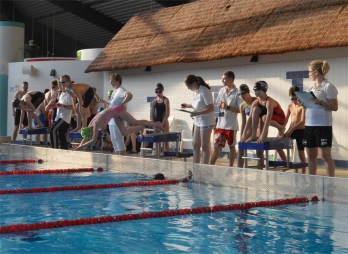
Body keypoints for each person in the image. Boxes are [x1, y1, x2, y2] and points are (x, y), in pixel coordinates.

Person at [301, 60, 338, 177]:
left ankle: (330, 183)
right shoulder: (310, 88)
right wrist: (303, 103)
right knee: (311, 155)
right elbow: (309, 106)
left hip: (323, 125)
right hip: (309, 125)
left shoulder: (328, 87)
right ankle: (312, 183)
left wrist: (319, 101)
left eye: (310, 72)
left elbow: (334, 107)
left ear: (316, 72)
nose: (308, 74)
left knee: (325, 156)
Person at [73, 106, 164, 151]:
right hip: (114, 114)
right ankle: (140, 128)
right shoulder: (90, 125)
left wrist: (79, 147)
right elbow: (86, 137)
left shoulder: (96, 124)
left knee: (135, 122)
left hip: (117, 110)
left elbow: (92, 141)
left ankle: (156, 124)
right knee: (123, 132)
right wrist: (80, 146)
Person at [181, 74, 215, 164]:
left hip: (206, 121)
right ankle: (196, 168)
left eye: (189, 86)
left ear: (194, 83)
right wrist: (188, 106)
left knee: (204, 146)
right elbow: (198, 105)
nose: (188, 88)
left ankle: (204, 168)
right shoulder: (195, 92)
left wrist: (197, 113)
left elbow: (211, 108)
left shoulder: (204, 91)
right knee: (195, 145)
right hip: (198, 121)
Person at [210, 71, 241, 167]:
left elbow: (240, 110)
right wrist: (219, 105)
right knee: (216, 147)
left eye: (224, 79)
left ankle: (230, 167)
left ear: (230, 79)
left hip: (231, 125)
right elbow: (218, 103)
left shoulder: (237, 92)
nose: (222, 80)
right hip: (220, 124)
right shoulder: (221, 90)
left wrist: (227, 107)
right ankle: (210, 167)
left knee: (232, 147)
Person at [237, 84, 264, 168]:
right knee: (241, 147)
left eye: (243, 93)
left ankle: (259, 174)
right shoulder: (242, 106)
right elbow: (244, 123)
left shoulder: (257, 101)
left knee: (259, 150)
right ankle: (240, 172)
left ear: (248, 92)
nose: (241, 96)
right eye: (239, 94)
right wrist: (242, 136)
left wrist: (259, 134)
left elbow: (262, 119)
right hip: (251, 127)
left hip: (260, 125)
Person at [107, 73, 133, 155]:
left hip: (118, 119)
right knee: (114, 141)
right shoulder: (114, 91)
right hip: (111, 120)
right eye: (110, 82)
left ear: (118, 81)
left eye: (113, 81)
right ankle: (118, 161)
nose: (111, 83)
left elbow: (130, 95)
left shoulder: (121, 90)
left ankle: (122, 162)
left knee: (119, 142)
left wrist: (122, 103)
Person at [284, 86, 306, 174]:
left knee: (301, 152)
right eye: (291, 99)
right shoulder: (290, 106)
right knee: (280, 142)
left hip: (301, 131)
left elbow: (302, 121)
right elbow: (285, 121)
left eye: (295, 99)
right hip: (291, 129)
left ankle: (303, 173)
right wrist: (280, 129)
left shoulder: (302, 106)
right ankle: (286, 164)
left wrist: (291, 130)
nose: (293, 101)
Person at [46, 80, 73, 150]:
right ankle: (65, 149)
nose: (59, 87)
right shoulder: (61, 95)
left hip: (64, 117)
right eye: (58, 85)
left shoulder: (69, 95)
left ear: (64, 86)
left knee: (53, 130)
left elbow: (72, 107)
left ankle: (54, 149)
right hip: (58, 116)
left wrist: (63, 105)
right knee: (61, 135)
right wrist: (54, 105)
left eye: (60, 85)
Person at [151, 83, 170, 152]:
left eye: (160, 91)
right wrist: (154, 125)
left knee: (166, 141)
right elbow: (152, 115)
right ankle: (157, 159)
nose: (158, 93)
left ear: (162, 91)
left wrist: (162, 125)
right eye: (156, 92)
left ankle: (168, 160)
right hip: (156, 123)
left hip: (164, 122)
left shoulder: (166, 100)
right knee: (157, 142)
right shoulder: (154, 101)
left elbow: (167, 114)